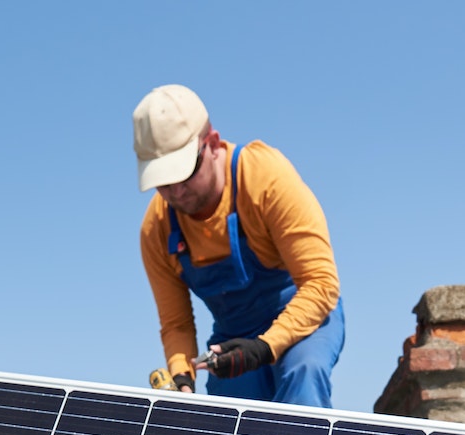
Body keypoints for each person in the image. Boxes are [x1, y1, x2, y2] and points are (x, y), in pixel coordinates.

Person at [133, 84, 343, 407]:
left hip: (304, 316)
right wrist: (182, 378)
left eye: (183, 173)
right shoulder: (157, 230)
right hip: (234, 340)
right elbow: (176, 324)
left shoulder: (264, 179)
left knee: (304, 372)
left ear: (213, 144)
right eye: (163, 182)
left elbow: (321, 283)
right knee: (233, 425)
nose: (176, 192)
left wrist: (263, 347)